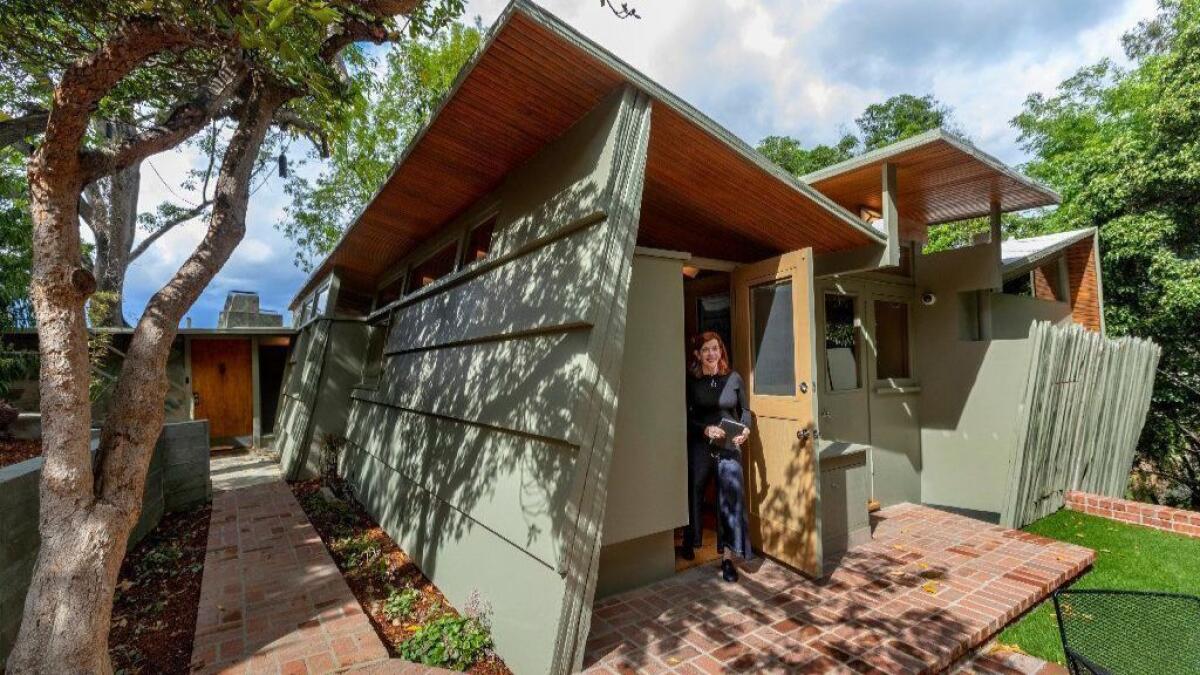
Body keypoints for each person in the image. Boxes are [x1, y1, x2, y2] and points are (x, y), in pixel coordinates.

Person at [680, 331, 753, 582]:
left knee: (729, 499)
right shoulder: (692, 382)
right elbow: (686, 417)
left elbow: (746, 410)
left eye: (716, 348)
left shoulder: (733, 378)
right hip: (701, 445)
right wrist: (704, 428)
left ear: (721, 351)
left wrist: (745, 429)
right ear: (698, 355)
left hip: (729, 446)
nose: (712, 353)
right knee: (694, 493)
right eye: (706, 350)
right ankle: (691, 539)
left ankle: (728, 559)